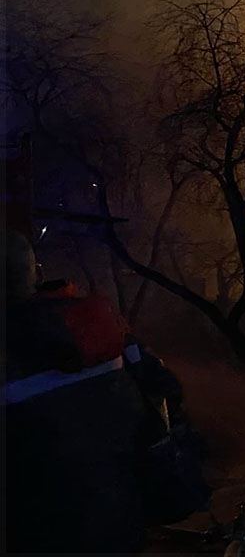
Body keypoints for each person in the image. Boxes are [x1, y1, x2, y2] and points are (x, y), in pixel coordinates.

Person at [4, 229, 147, 552]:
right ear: (35, 272)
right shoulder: (95, 325)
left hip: (35, 534)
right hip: (118, 521)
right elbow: (159, 397)